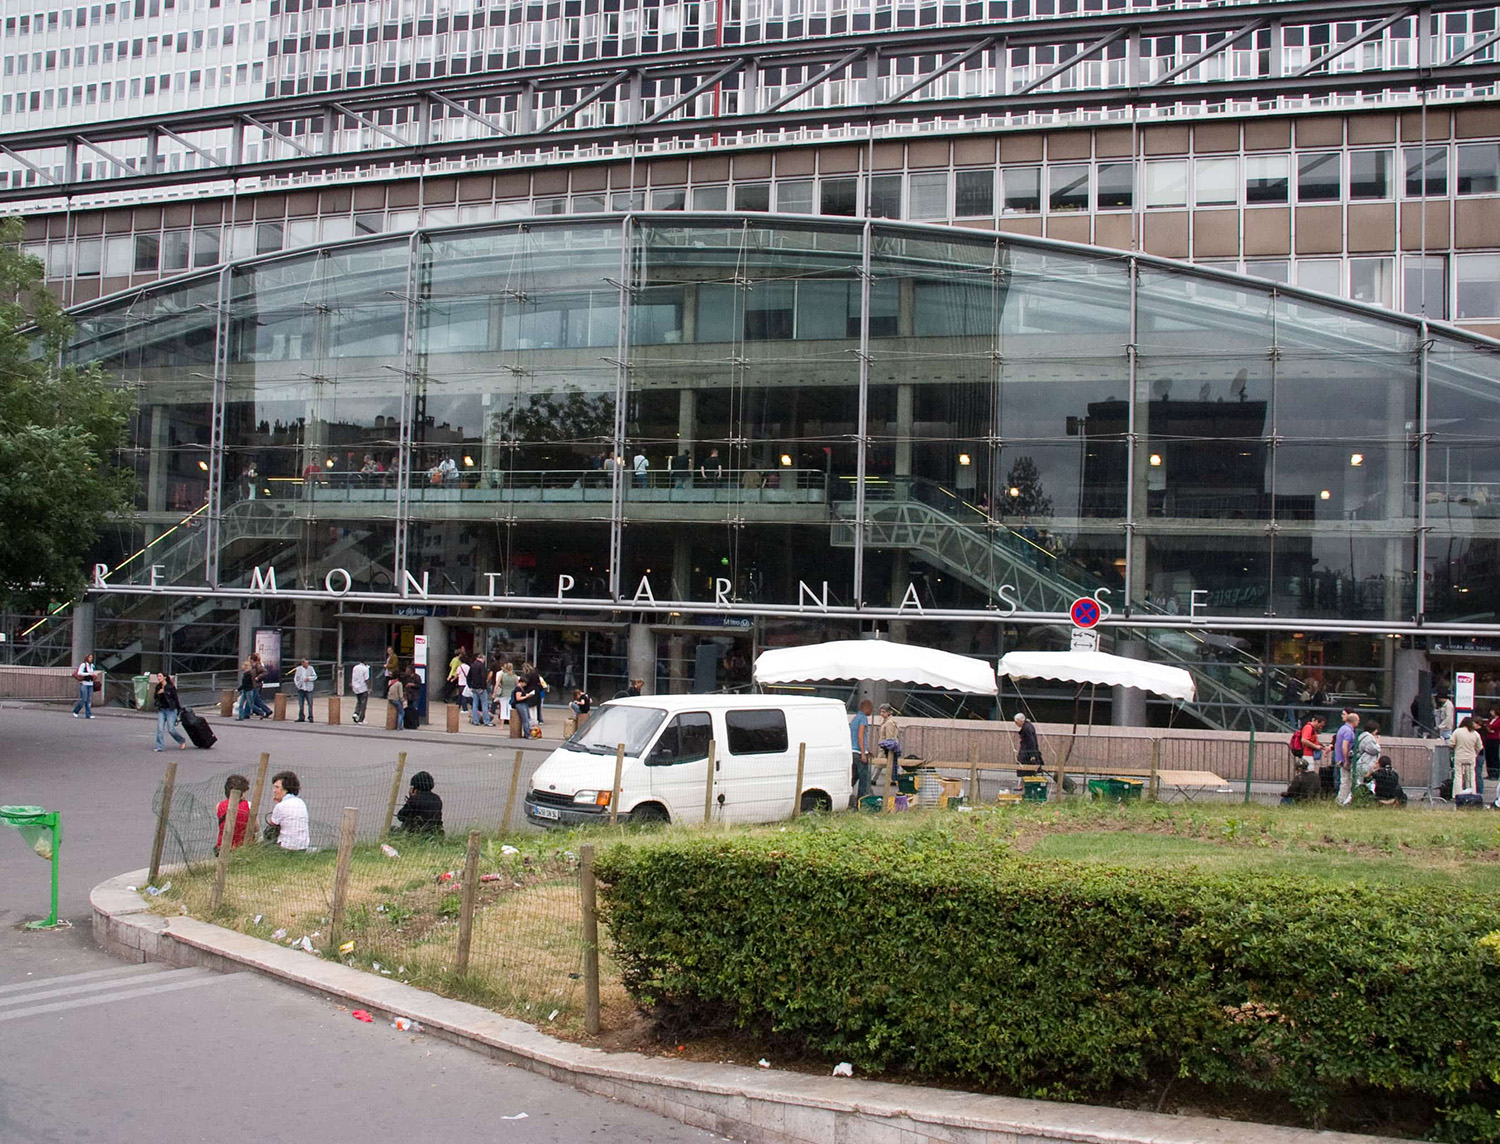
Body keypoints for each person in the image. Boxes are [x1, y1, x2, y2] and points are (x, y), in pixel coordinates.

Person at [267, 771, 310, 851]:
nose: (274, 790)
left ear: (285, 789)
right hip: (303, 846)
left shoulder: (280, 806)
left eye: (277, 787)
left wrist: (277, 804)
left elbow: (272, 824)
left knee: (268, 833)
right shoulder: (301, 802)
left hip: (286, 847)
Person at [395, 770, 444, 835]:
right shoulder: (437, 798)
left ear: (415, 787)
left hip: (414, 833)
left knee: (391, 829)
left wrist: (410, 799)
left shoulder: (415, 800)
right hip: (433, 833)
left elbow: (400, 816)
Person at [215, 774, 252, 853]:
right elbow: (255, 828)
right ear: (242, 792)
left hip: (222, 845)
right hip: (241, 845)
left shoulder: (219, 806)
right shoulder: (248, 805)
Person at [153, 672, 187, 751]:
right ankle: (160, 747)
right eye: (157, 676)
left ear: (164, 677)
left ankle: (181, 740)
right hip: (162, 709)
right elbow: (155, 697)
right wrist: (159, 693)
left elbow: (175, 698)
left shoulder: (170, 687)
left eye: (160, 676)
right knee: (160, 729)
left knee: (171, 729)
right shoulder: (158, 687)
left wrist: (178, 709)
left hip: (171, 710)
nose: (158, 678)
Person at [1452, 716, 1484, 796]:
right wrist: (1475, 753)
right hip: (1471, 757)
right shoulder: (1475, 733)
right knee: (1471, 776)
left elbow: (1451, 743)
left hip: (1459, 755)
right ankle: (1472, 793)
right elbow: (1479, 747)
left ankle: (1457, 794)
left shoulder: (1457, 731)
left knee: (1458, 776)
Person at [1333, 709, 1359, 806]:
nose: (1358, 723)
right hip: (1344, 759)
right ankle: (1341, 800)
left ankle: (1342, 799)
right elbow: (1345, 746)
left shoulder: (1342, 728)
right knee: (1346, 781)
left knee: (1345, 780)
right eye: (1358, 721)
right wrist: (1346, 760)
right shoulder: (1348, 731)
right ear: (1354, 721)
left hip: (1339, 758)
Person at [850, 698, 873, 799]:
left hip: (853, 751)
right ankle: (861, 799)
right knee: (864, 779)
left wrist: (868, 750)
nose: (871, 711)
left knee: (854, 777)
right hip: (859, 753)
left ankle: (847, 794)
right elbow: (860, 735)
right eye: (871, 709)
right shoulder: (863, 718)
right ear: (866, 708)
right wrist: (863, 753)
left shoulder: (855, 719)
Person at [470, 651, 493, 726]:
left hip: (474, 687)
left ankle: (475, 721)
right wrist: (483, 687)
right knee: (484, 704)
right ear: (482, 659)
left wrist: (470, 685)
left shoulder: (472, 665)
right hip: (481, 688)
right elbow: (483, 677)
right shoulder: (482, 666)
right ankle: (486, 721)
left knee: (475, 704)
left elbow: (468, 677)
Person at [72, 652, 97, 718]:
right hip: (84, 683)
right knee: (84, 699)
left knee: (88, 700)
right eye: (90, 657)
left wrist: (94, 675)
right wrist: (88, 674)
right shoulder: (83, 665)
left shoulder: (92, 666)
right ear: (87, 658)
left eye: (91, 657)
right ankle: (76, 711)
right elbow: (80, 673)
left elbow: (93, 672)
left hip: (90, 683)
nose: (91, 659)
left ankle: (88, 714)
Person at [512, 672, 537, 736]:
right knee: (525, 719)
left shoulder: (521, 688)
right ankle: (527, 733)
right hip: (520, 704)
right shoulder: (518, 688)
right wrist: (527, 696)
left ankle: (528, 731)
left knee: (527, 718)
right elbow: (518, 698)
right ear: (522, 682)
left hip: (524, 703)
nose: (525, 685)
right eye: (525, 683)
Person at [293, 658, 317, 722]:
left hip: (309, 689)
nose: (307, 665)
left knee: (310, 704)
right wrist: (298, 685)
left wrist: (309, 678)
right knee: (301, 704)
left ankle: (310, 717)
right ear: (302, 663)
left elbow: (315, 676)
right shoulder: (298, 669)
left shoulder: (311, 668)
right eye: (305, 663)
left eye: (307, 663)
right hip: (301, 688)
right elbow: (296, 678)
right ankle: (301, 717)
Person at [495, 661, 517, 726]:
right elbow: (517, 685)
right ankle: (511, 724)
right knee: (510, 709)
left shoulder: (502, 675)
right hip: (511, 694)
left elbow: (497, 684)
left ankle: (501, 725)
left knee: (503, 709)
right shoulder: (515, 676)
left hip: (503, 694)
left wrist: (494, 693)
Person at [350, 660, 370, 724]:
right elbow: (366, 679)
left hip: (355, 687)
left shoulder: (355, 667)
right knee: (363, 704)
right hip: (363, 687)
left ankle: (356, 713)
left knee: (359, 701)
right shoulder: (365, 669)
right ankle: (361, 719)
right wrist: (369, 688)